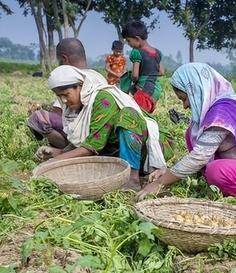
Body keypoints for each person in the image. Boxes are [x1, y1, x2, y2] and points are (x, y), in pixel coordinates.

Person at [136, 63, 236, 213]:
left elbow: (199, 157)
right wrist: (170, 170)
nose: (185, 106)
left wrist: (160, 184)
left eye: (184, 99)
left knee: (217, 171)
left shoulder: (223, 110)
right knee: (192, 134)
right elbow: (200, 151)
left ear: (196, 90)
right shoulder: (216, 108)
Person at [44, 65, 174, 190]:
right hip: (123, 149)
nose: (64, 100)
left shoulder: (102, 99)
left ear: (80, 87)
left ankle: (131, 179)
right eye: (59, 96)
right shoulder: (80, 106)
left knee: (127, 115)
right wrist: (60, 153)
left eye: (66, 94)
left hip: (154, 145)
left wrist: (54, 161)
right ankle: (126, 170)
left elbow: (92, 146)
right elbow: (88, 138)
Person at [27, 38, 87, 150]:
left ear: (64, 59)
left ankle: (65, 150)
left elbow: (58, 112)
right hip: (94, 132)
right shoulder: (97, 78)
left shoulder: (70, 79)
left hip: (81, 132)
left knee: (37, 118)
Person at [119, 21, 164, 113]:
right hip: (156, 91)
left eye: (128, 41)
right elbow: (161, 72)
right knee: (145, 115)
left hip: (143, 91)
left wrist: (132, 78)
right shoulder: (158, 52)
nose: (129, 44)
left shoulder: (137, 52)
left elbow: (135, 76)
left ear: (137, 38)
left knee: (135, 117)